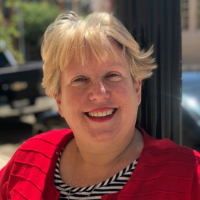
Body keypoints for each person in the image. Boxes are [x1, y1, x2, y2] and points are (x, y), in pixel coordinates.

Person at [0, 11, 199, 200]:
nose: (99, 93)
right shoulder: (28, 159)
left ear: (137, 89)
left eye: (112, 75)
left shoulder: (190, 176)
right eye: (79, 79)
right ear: (59, 100)